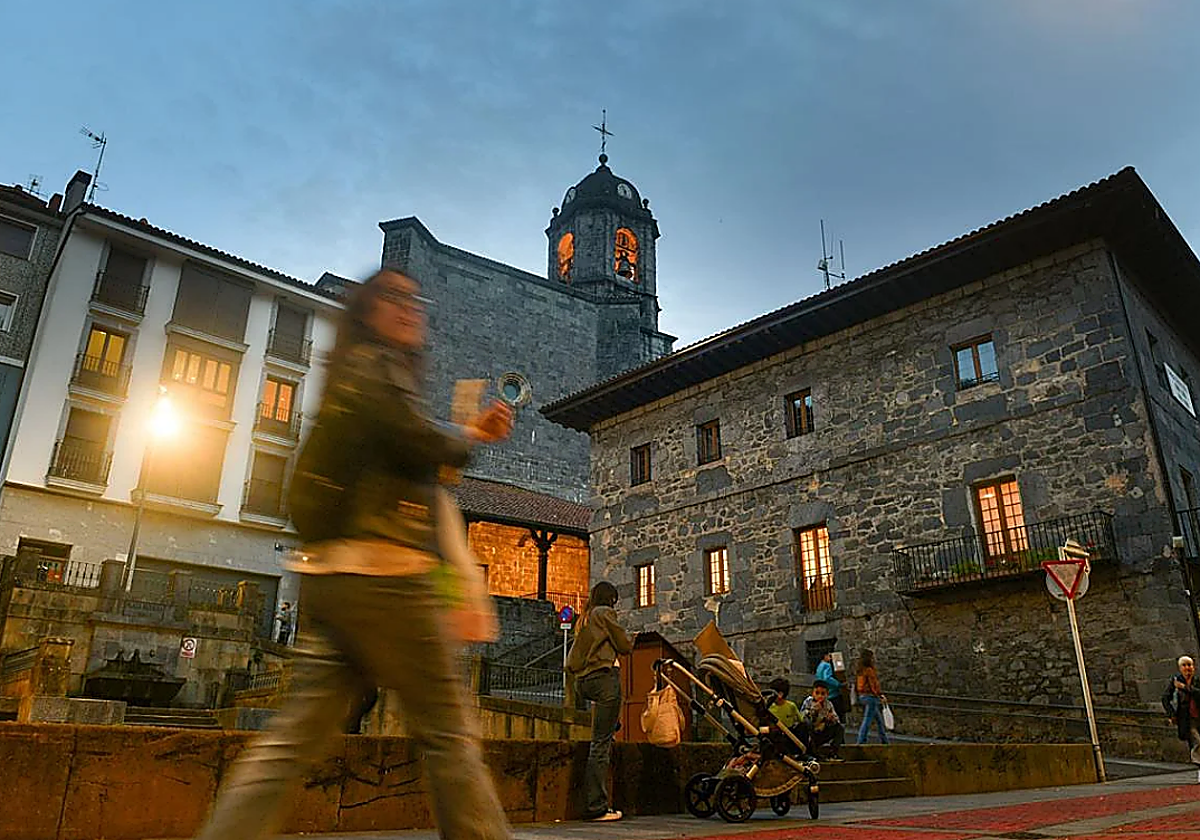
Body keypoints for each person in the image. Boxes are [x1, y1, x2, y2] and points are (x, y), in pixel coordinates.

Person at [193, 268, 516, 840]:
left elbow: (406, 452)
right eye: (393, 297)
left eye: (415, 297)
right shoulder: (377, 367)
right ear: (367, 311)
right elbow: (416, 441)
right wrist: (470, 436)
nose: (410, 307)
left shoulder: (353, 377)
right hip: (386, 581)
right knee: (449, 736)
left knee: (293, 738)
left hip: (337, 584)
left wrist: (457, 439)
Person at [565, 581, 633, 822]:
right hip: (605, 679)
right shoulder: (604, 613)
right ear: (610, 599)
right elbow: (623, 646)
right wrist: (630, 638)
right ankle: (597, 807)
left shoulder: (583, 618)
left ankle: (612, 724)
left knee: (604, 733)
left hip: (584, 682)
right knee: (600, 745)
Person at [1162, 655, 1200, 782]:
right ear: (1180, 668)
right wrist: (1172, 714)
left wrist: (1185, 688)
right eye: (1184, 665)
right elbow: (1165, 698)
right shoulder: (1175, 681)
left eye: (1189, 665)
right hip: (1187, 719)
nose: (1187, 668)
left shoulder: (1197, 680)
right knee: (1197, 741)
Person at [800, 680, 844, 759]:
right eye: (817, 693)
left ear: (827, 694)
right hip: (810, 734)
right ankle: (810, 751)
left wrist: (831, 718)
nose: (820, 696)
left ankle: (833, 752)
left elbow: (836, 720)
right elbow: (802, 718)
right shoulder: (808, 702)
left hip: (822, 732)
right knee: (806, 724)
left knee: (839, 728)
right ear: (813, 693)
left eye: (823, 694)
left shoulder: (828, 704)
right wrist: (813, 711)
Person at [855, 649, 889, 745]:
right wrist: (880, 695)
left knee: (879, 720)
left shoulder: (860, 670)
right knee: (868, 719)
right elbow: (873, 684)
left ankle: (884, 740)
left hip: (862, 696)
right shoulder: (869, 670)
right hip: (870, 697)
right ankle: (861, 741)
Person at [815, 652, 846, 742]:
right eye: (829, 656)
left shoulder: (819, 666)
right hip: (832, 693)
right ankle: (840, 740)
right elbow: (827, 678)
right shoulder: (827, 666)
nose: (831, 658)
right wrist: (838, 684)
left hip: (825, 695)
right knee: (837, 718)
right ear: (825, 656)